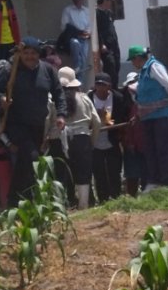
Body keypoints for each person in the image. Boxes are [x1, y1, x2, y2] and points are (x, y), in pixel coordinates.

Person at [0, 37, 64, 200]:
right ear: (20, 54)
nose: (29, 56)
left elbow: (58, 93)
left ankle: (15, 199)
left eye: (33, 53)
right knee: (32, 157)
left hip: (37, 124)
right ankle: (29, 197)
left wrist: (61, 115)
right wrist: (1, 99)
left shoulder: (48, 70)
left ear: (39, 54)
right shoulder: (10, 70)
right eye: (26, 53)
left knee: (24, 163)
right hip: (16, 124)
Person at [127, 46, 168, 188]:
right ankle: (153, 180)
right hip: (147, 117)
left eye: (133, 60)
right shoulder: (143, 72)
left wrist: (164, 102)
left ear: (138, 58)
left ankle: (165, 180)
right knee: (150, 149)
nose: (132, 63)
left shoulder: (153, 67)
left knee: (162, 147)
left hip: (161, 115)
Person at [60, 66, 101, 209]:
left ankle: (70, 203)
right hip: (83, 139)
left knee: (69, 172)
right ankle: (84, 205)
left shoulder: (57, 101)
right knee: (84, 172)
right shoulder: (84, 98)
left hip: (64, 141)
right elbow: (97, 122)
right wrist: (92, 141)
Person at [89, 71, 130, 203]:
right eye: (98, 84)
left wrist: (110, 121)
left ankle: (116, 198)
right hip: (95, 142)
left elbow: (123, 116)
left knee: (114, 171)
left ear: (109, 86)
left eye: (103, 85)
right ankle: (103, 200)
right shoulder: (89, 98)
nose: (100, 88)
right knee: (99, 172)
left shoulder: (117, 98)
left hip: (112, 140)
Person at [120, 72, 146, 197]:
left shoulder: (145, 100)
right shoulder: (123, 101)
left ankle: (147, 194)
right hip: (130, 142)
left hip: (144, 141)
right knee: (132, 174)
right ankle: (131, 197)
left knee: (147, 171)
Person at [61, 0, 92, 86]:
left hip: (85, 39)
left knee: (82, 62)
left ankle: (78, 86)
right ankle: (77, 65)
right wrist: (77, 32)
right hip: (73, 38)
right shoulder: (68, 10)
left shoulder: (86, 11)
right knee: (75, 44)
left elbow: (90, 25)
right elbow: (64, 27)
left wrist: (88, 33)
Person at [95, 0, 121, 84]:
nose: (110, 3)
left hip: (114, 44)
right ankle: (111, 89)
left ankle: (116, 90)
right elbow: (97, 30)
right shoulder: (97, 14)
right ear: (104, 1)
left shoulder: (109, 13)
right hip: (106, 47)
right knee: (110, 67)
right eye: (109, 1)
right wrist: (101, 44)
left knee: (117, 66)